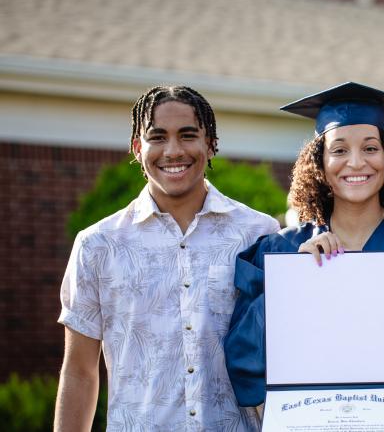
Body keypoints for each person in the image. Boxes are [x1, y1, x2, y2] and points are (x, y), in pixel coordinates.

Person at [224, 82, 384, 430]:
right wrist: (293, 281)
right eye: (339, 150)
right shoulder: (282, 252)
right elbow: (245, 361)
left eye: (370, 147)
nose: (356, 162)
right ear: (319, 161)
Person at [54, 86, 280, 431]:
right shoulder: (98, 245)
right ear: (137, 148)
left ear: (211, 143)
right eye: (157, 137)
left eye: (188, 135)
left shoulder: (258, 233)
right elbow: (80, 372)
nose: (173, 151)